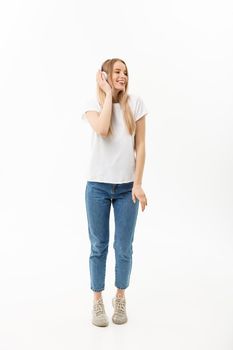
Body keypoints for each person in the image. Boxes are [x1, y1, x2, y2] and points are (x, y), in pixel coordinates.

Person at [81, 58, 148, 327]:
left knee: (123, 247)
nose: (123, 76)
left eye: (125, 72)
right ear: (105, 76)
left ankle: (120, 297)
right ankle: (97, 301)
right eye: (117, 72)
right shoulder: (92, 104)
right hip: (97, 185)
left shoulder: (137, 104)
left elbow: (141, 147)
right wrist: (108, 94)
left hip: (126, 188)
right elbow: (103, 128)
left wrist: (138, 183)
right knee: (98, 246)